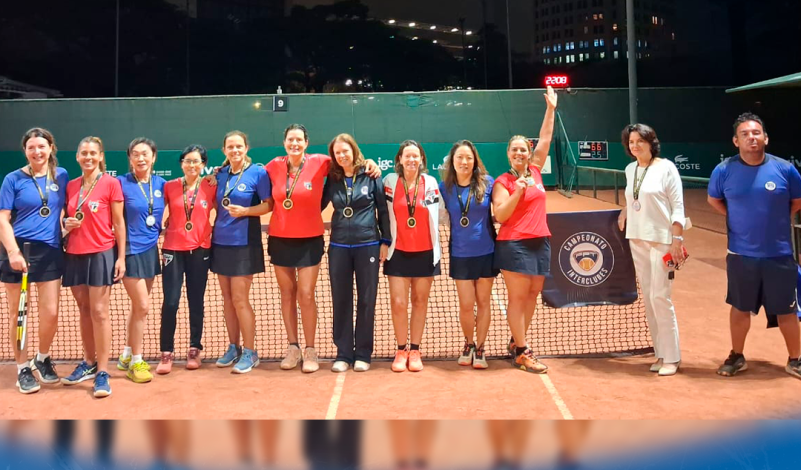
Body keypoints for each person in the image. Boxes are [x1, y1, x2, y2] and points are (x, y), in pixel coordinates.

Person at [265, 124, 381, 373]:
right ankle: (297, 348)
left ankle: (314, 351)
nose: (294, 143)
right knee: (291, 294)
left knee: (307, 294)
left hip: (316, 240)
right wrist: (218, 171)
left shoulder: (321, 162)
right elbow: (249, 173)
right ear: (284, 142)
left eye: (299, 139)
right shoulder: (273, 165)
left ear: (306, 142)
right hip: (284, 238)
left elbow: (350, 162)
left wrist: (370, 163)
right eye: (290, 139)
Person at [708, 112, 801, 379]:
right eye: (745, 134)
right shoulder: (723, 170)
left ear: (766, 138)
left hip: (779, 254)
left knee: (787, 310)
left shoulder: (785, 169)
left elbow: (796, 201)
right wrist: (739, 217)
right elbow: (714, 200)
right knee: (740, 308)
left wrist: (774, 219)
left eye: (756, 133)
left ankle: (795, 359)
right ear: (735, 141)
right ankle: (737, 356)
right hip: (741, 254)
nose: (752, 137)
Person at [492, 85, 557, 374]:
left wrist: (550, 110)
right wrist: (517, 191)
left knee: (532, 295)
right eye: (515, 149)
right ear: (508, 154)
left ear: (529, 154)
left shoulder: (536, 171)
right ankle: (522, 351)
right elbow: (500, 215)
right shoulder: (502, 182)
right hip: (514, 243)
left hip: (540, 241)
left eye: (523, 149)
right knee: (517, 297)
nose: (519, 152)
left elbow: (546, 138)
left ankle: (517, 340)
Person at [0, 128, 68, 394]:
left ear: (51, 148)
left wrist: (66, 226)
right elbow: (3, 218)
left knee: (50, 312)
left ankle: (42, 358)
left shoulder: (61, 176)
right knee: (19, 314)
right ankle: (22, 368)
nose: (37, 152)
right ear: (25, 151)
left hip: (50, 251)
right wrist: (13, 252)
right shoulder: (13, 179)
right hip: (18, 251)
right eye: (31, 147)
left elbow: (62, 210)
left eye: (41, 146)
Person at [617, 124, 686, 376]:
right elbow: (635, 196)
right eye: (631, 142)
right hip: (637, 239)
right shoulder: (630, 169)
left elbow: (677, 206)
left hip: (662, 240)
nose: (635, 145)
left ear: (650, 142)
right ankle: (661, 353)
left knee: (660, 297)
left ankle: (672, 357)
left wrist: (677, 240)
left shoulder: (666, 167)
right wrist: (626, 210)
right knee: (648, 297)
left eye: (640, 141)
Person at [60, 136, 126, 398]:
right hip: (74, 253)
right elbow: (64, 218)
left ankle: (102, 371)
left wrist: (121, 257)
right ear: (77, 157)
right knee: (84, 309)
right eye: (83, 153)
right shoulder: (71, 185)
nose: (88, 157)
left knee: (99, 311)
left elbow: (119, 223)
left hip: (101, 252)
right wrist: (66, 224)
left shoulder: (111, 183)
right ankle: (88, 362)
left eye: (92, 153)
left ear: (100, 157)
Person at [322, 133, 390, 373]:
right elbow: (317, 204)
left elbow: (383, 209)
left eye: (345, 151)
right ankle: (343, 353)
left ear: (354, 150)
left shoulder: (371, 175)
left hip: (367, 244)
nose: (342, 155)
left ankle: (362, 353)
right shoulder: (332, 178)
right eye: (337, 153)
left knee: (366, 299)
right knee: (340, 299)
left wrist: (385, 240)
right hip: (339, 246)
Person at [212, 131, 273, 374]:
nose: (235, 150)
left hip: (244, 243)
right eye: (230, 147)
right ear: (224, 150)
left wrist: (246, 211)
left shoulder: (258, 173)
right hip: (220, 242)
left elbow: (268, 205)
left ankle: (250, 351)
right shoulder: (220, 174)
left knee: (239, 299)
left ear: (246, 148)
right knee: (227, 299)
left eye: (239, 146)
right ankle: (233, 347)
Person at [157, 145, 216, 374]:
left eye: (196, 161)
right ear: (181, 163)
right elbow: (154, 211)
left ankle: (194, 348)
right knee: (171, 302)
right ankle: (166, 352)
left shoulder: (211, 185)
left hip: (200, 250)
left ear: (203, 164)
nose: (192, 165)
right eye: (187, 161)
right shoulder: (169, 186)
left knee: (196, 300)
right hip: (173, 249)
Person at [383, 140, 441, 373]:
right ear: (399, 159)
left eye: (416, 156)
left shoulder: (430, 182)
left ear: (422, 159)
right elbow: (380, 212)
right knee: (398, 303)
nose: (411, 160)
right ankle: (401, 350)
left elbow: (441, 212)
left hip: (425, 252)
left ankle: (415, 350)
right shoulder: (389, 182)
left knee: (419, 301)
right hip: (397, 251)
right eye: (407, 156)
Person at [439, 140, 497, 369]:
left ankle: (480, 348)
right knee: (466, 304)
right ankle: (469, 344)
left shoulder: (488, 183)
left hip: (487, 252)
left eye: (468, 158)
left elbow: (501, 210)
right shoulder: (444, 188)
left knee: (483, 302)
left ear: (475, 161)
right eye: (459, 158)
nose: (464, 162)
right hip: (460, 254)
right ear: (452, 162)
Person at [116, 137, 167, 384]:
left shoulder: (161, 184)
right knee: (144, 306)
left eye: (145, 153)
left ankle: (126, 354)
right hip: (129, 250)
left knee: (138, 307)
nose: (140, 158)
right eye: (135, 154)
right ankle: (136, 362)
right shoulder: (120, 183)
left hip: (150, 250)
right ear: (130, 158)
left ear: (153, 157)